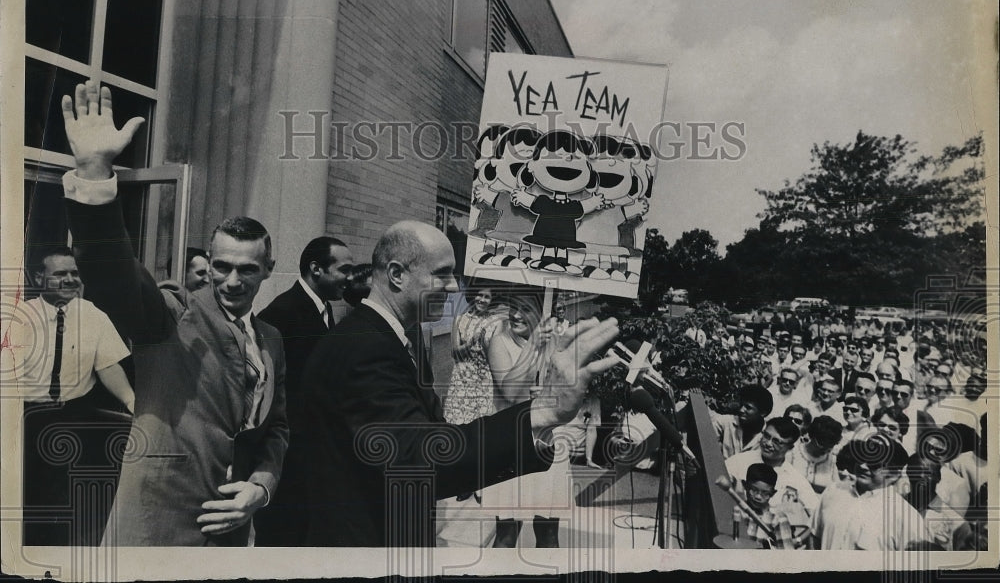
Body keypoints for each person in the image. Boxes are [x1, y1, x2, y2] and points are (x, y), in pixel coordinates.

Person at [59, 81, 288, 546]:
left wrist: (260, 488)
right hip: (156, 533)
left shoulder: (272, 340)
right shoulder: (171, 316)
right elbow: (114, 274)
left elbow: (276, 430)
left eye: (247, 269)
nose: (231, 281)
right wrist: (94, 174)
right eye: (221, 266)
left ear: (268, 270)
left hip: (228, 535)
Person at [298, 221, 620, 547]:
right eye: (442, 273)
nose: (454, 287)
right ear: (397, 275)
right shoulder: (365, 349)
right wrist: (544, 412)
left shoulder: (386, 337)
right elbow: (419, 460)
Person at [15, 247, 134, 545]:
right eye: (60, 274)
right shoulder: (19, 317)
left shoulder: (93, 316)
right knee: (19, 495)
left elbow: (107, 367)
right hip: (22, 418)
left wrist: (133, 404)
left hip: (71, 417)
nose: (70, 280)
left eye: (74, 273)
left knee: (60, 503)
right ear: (40, 277)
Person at [253, 236, 355, 546]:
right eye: (344, 270)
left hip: (314, 460)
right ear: (316, 269)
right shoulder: (280, 315)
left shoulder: (325, 309)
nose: (350, 278)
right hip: (289, 464)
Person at [483, 291, 566, 548]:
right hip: (512, 444)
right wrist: (532, 347)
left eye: (525, 309)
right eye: (513, 306)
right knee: (507, 533)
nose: (516, 315)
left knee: (549, 533)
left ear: (541, 313)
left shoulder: (556, 343)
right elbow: (509, 390)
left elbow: (567, 393)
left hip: (547, 442)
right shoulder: (500, 341)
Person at [725, 417, 820, 524]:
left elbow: (816, 516)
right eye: (766, 436)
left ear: (790, 447)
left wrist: (797, 539)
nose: (768, 444)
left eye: (777, 442)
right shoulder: (738, 462)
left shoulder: (796, 480)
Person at [442, 284, 502, 424]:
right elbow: (454, 352)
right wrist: (471, 342)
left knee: (479, 424)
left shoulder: (496, 323)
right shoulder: (459, 319)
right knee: (456, 421)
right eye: (479, 295)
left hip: (483, 379)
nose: (482, 299)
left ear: (492, 300)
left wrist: (483, 341)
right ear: (473, 296)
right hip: (461, 377)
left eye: (487, 297)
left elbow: (494, 357)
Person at [732, 463, 800, 550]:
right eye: (754, 490)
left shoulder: (778, 518)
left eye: (765, 493)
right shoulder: (736, 512)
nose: (758, 497)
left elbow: (786, 555)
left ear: (772, 493)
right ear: (745, 485)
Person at [711, 384, 772, 459]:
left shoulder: (769, 437)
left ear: (763, 413)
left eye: (748, 408)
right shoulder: (727, 422)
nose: (741, 410)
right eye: (741, 405)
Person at [788, 415, 843, 494]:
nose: (826, 449)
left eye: (831, 446)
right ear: (812, 436)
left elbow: (836, 491)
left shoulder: (832, 461)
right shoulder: (793, 452)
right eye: (821, 444)